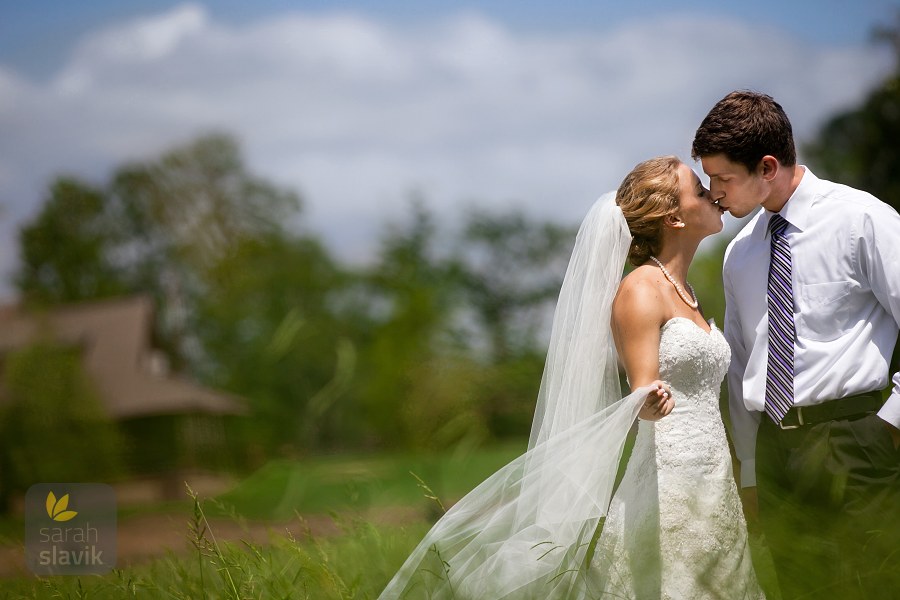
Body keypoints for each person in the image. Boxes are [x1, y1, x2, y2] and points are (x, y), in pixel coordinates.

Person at [379, 156, 764, 599]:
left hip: (713, 479)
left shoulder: (689, 293)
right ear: (674, 217)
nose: (714, 194)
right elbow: (642, 389)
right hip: (669, 483)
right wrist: (649, 401)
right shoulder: (639, 289)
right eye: (699, 189)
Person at [692, 90, 900, 600]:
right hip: (775, 453)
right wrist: (749, 471)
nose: (713, 193)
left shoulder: (863, 220)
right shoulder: (740, 253)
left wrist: (890, 426)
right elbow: (743, 367)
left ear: (767, 166)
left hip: (857, 441)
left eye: (723, 178)